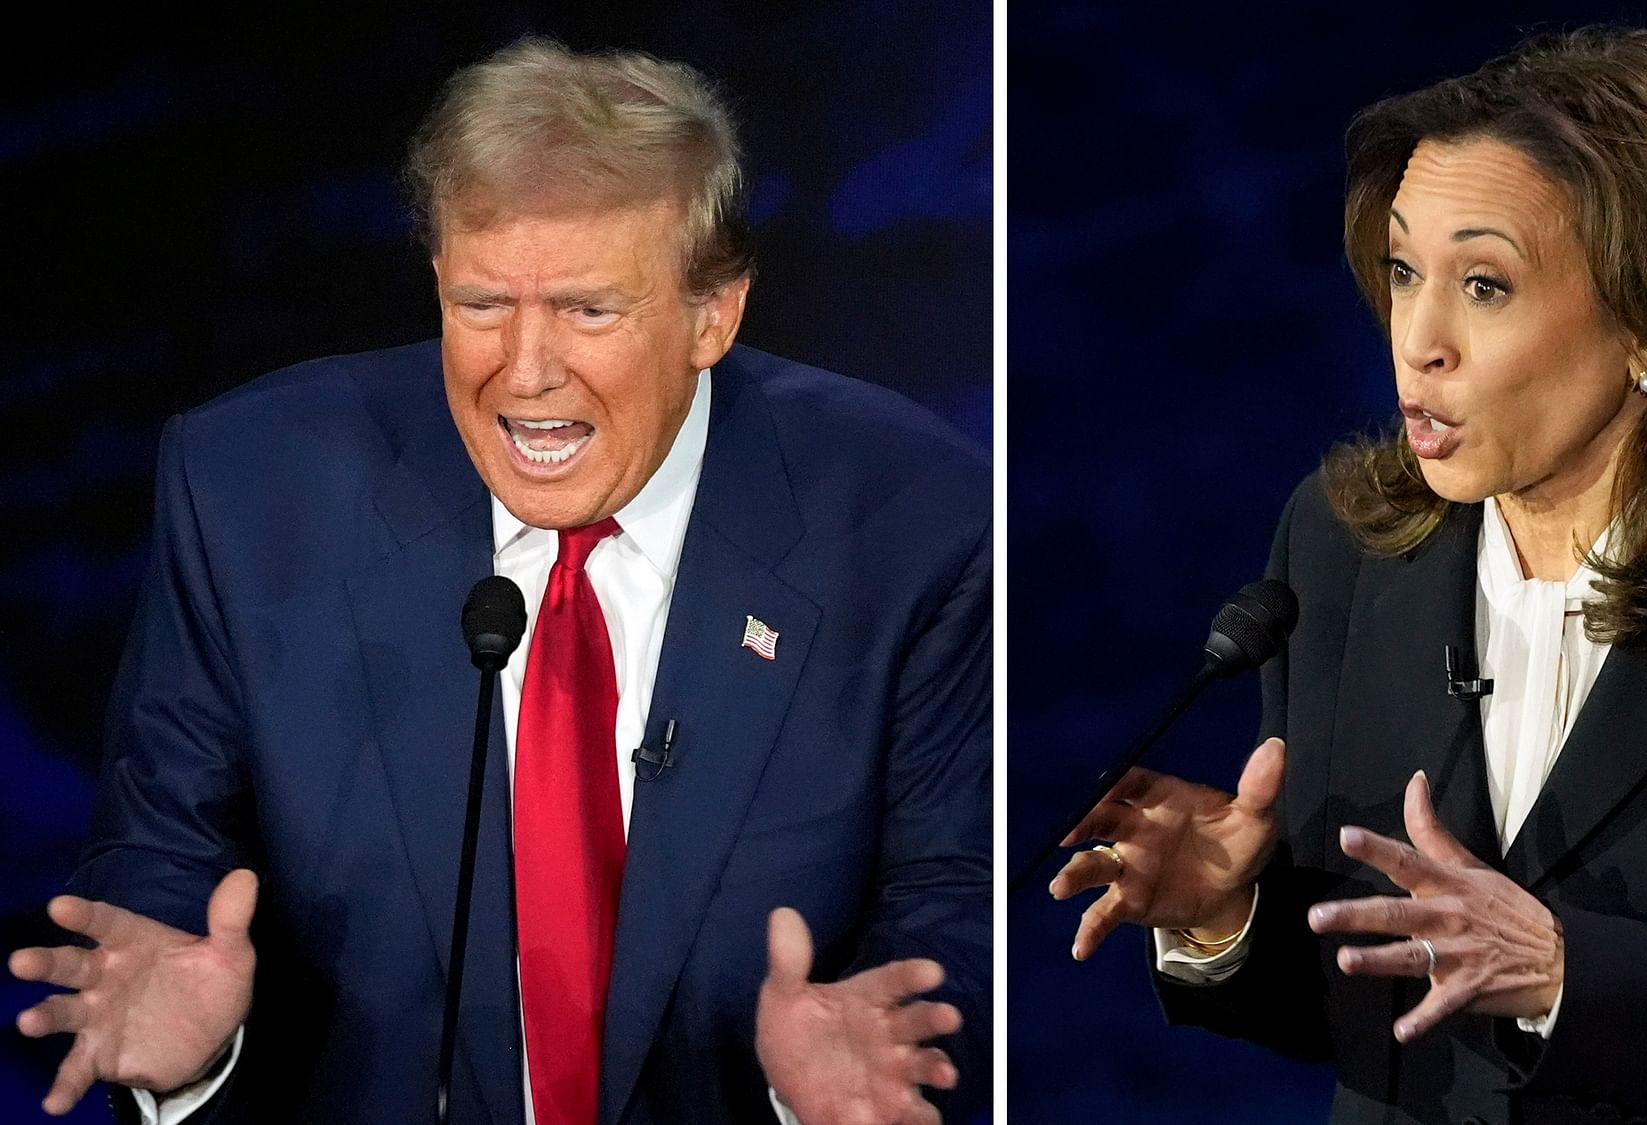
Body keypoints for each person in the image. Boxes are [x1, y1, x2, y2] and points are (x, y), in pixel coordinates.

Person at [8, 38, 990, 1125]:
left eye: (587, 311)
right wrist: (190, 1056)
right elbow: (165, 857)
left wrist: (857, 1081)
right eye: (482, 305)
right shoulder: (250, 491)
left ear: (714, 313)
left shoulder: (911, 517)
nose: (523, 374)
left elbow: (955, 896)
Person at [1049, 26, 1647, 1125]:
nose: (1419, 339)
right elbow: (1380, 1019)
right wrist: (1227, 920)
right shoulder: (1345, 549)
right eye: (1404, 271)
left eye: (1484, 285)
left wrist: (1567, 979)